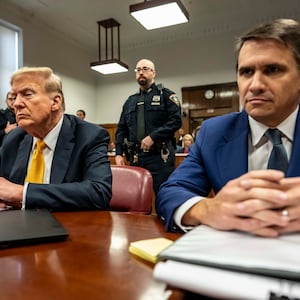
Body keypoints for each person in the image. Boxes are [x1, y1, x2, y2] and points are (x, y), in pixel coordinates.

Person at [157, 18, 300, 238]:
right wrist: (209, 208)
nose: (255, 85)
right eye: (246, 72)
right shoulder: (213, 133)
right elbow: (170, 193)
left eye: (272, 70)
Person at [0, 66, 112, 210]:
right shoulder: (14, 138)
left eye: (27, 94)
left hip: (69, 227)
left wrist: (23, 193)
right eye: (15, 97)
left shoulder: (89, 136)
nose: (16, 104)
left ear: (55, 102)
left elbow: (99, 192)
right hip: (18, 227)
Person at [115, 58, 182, 195]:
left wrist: (153, 136)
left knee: (164, 196)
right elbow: (121, 129)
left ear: (154, 73)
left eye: (145, 69)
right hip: (136, 157)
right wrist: (118, 153)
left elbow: (176, 121)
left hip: (160, 157)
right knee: (136, 198)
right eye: (138, 70)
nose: (141, 72)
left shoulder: (166, 96)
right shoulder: (130, 101)